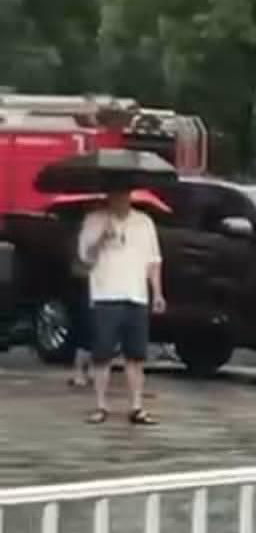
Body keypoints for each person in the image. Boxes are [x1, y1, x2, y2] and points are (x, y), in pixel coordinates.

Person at [77, 182, 165, 425]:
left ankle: (137, 406)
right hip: (106, 294)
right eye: (115, 195)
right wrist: (101, 239)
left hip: (136, 295)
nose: (119, 199)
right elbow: (85, 258)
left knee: (136, 355)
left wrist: (157, 293)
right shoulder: (94, 220)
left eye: (123, 194)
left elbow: (154, 261)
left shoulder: (144, 223)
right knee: (102, 354)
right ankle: (100, 405)